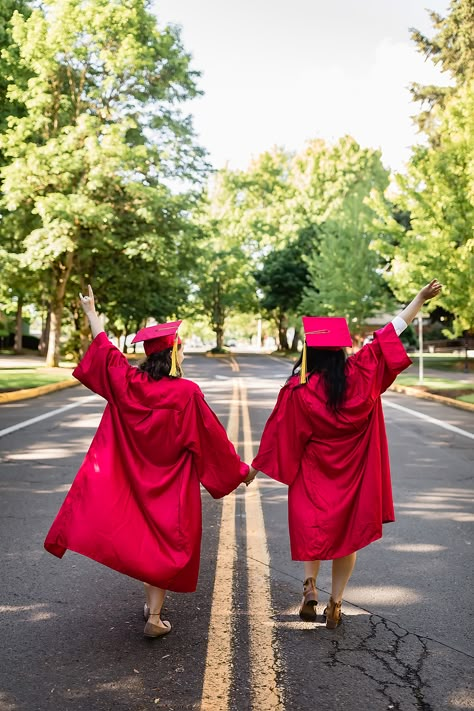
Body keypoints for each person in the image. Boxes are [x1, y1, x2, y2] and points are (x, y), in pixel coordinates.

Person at [44, 285, 253, 638]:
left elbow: (106, 354)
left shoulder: (129, 383)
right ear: (175, 354)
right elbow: (212, 440)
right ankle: (154, 614)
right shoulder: (186, 393)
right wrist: (241, 472)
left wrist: (92, 313)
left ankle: (153, 611)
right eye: (182, 350)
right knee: (164, 544)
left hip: (135, 481)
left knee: (144, 540)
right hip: (173, 485)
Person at [250, 279, 442, 629]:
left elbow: (279, 434)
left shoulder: (298, 389)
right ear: (340, 350)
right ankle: (336, 604)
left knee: (313, 530)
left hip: (312, 474)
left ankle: (309, 587)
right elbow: (390, 332)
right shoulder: (361, 373)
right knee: (345, 539)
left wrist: (253, 470)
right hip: (352, 477)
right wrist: (418, 299)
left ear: (309, 352)